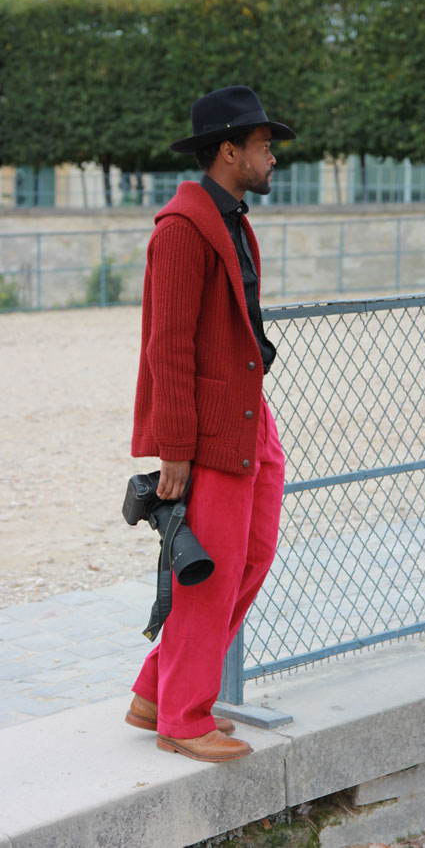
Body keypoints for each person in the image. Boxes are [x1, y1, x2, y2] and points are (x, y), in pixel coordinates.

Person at [125, 85, 295, 763]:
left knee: (253, 555)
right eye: (262, 146)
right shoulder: (181, 229)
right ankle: (183, 716)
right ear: (229, 151)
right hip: (209, 425)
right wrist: (176, 448)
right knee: (212, 569)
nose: (272, 156)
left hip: (250, 413)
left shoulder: (234, 220)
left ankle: (152, 691)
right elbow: (166, 347)